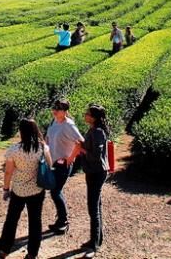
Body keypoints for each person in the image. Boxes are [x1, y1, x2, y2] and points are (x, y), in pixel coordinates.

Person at [0, 119, 52, 259]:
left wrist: (6, 189)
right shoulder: (42, 148)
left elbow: (8, 172)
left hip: (18, 190)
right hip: (37, 189)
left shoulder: (13, 150)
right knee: (35, 221)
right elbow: (49, 165)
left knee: (12, 219)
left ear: (20, 132)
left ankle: (4, 249)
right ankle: (32, 254)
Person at [46, 99, 84, 235]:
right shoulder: (54, 121)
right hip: (53, 162)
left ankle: (64, 221)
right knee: (54, 191)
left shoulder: (69, 125)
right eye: (54, 108)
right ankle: (60, 220)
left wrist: (70, 158)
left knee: (55, 192)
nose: (54, 111)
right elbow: (48, 138)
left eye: (58, 109)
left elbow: (80, 142)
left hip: (63, 165)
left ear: (65, 111)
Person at [80, 103, 110, 257]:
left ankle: (94, 245)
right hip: (94, 171)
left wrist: (82, 150)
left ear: (93, 117)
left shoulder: (97, 132)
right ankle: (97, 239)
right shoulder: (94, 130)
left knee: (93, 207)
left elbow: (96, 155)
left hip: (96, 172)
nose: (85, 115)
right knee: (96, 205)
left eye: (87, 113)